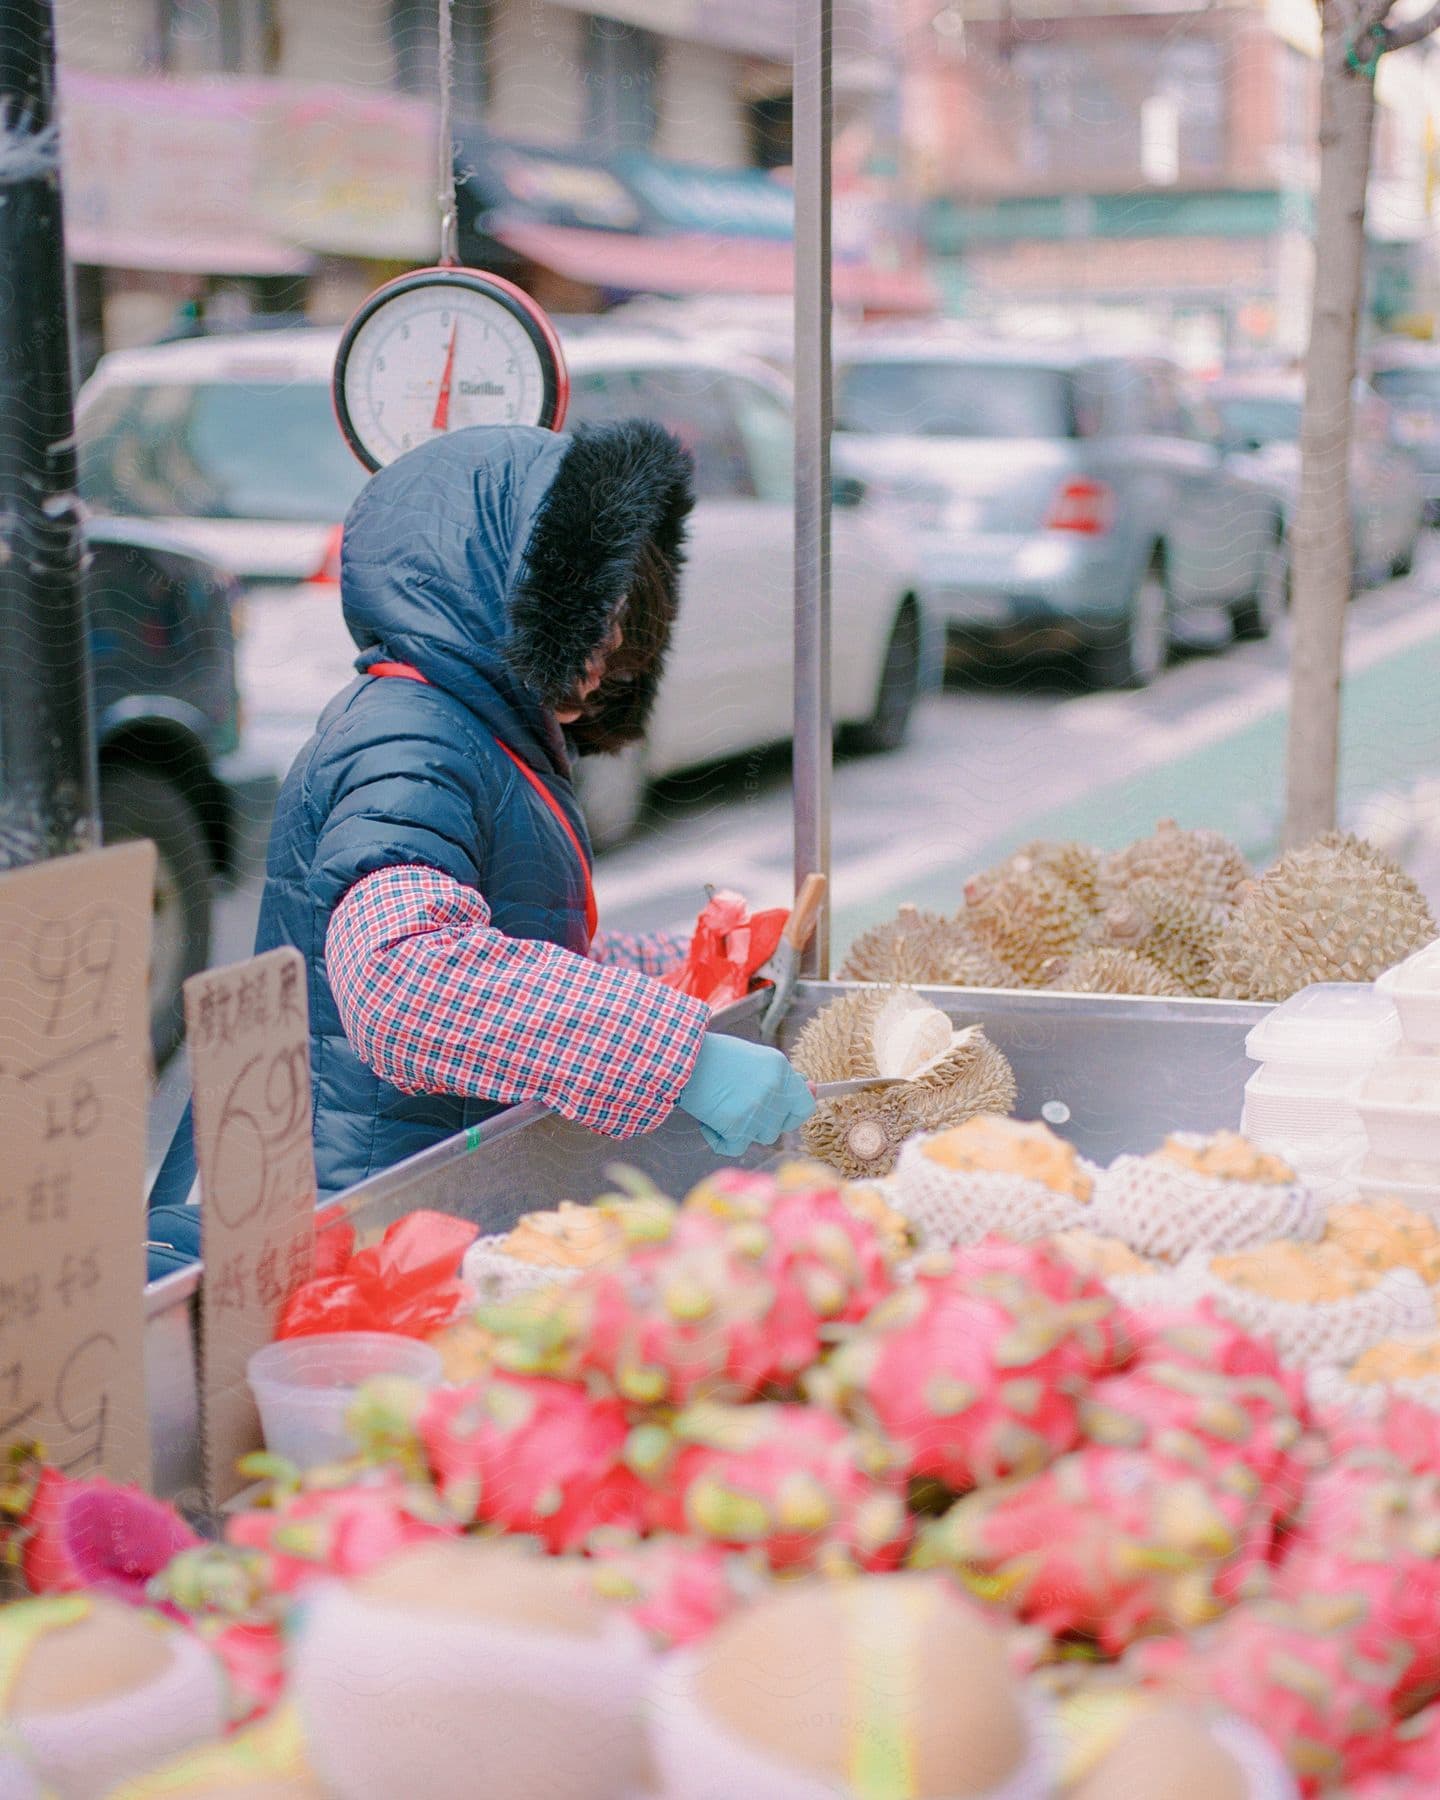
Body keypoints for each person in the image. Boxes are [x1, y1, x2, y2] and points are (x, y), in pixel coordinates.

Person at [234, 418, 814, 1198]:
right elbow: (405, 978)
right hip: (375, 1210)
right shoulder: (407, 738)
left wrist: (686, 966)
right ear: (503, 595)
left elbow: (512, 943)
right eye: (589, 612)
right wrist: (680, 1056)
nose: (610, 646)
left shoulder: (468, 729)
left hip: (437, 1183)